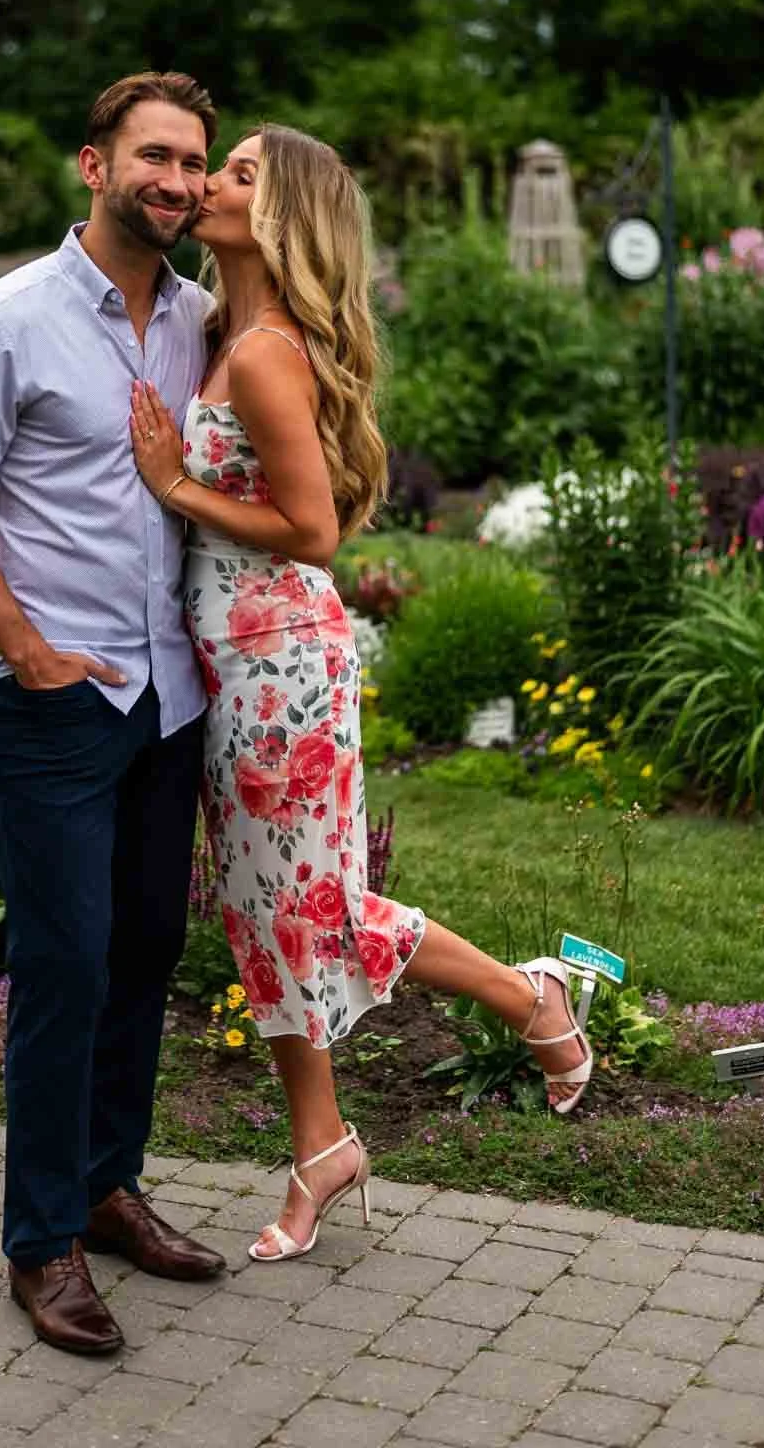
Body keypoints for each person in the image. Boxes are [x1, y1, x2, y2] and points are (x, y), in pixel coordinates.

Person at [130, 122, 593, 1262]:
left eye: (236, 173)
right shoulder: (213, 322)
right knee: (259, 918)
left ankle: (529, 999)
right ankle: (323, 1147)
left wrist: (177, 485)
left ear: (280, 210)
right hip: (228, 657)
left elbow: (314, 531)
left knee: (317, 911)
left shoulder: (264, 351)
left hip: (281, 661)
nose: (208, 186)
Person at [0, 72, 227, 1357]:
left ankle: (106, 1186)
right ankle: (37, 1242)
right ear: (91, 167)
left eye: (194, 162)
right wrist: (28, 653)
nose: (177, 180)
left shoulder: (200, 317)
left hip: (171, 698)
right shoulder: (0, 323)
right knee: (63, 966)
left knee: (145, 949)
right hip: (57, 703)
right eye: (154, 155)